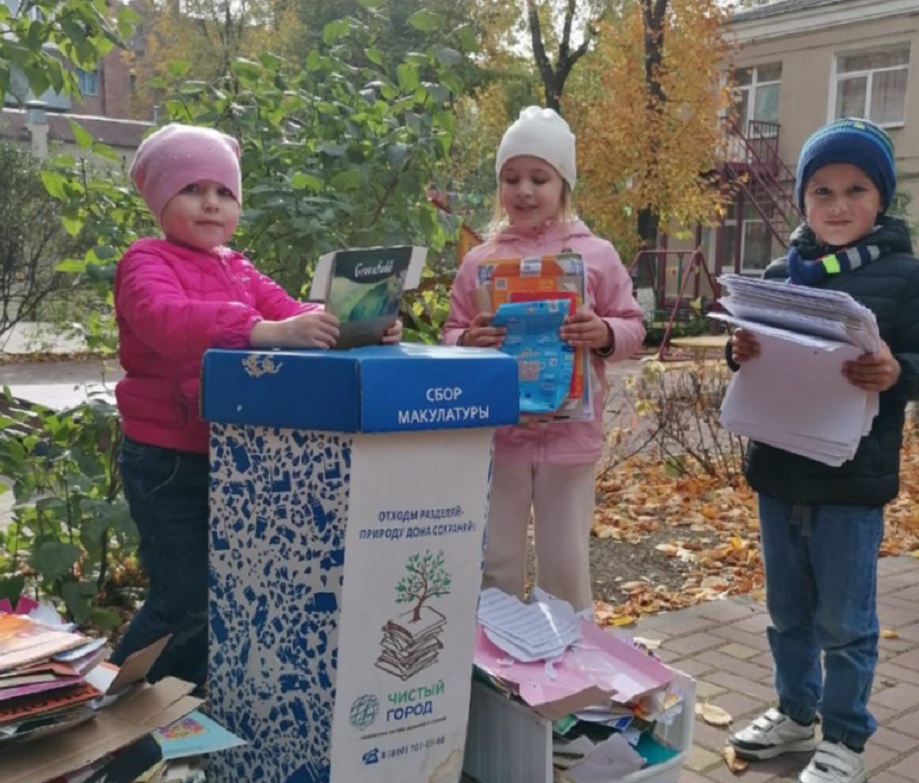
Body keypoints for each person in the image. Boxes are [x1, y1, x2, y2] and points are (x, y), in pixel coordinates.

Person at [111, 123, 401, 685]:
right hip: (166, 460)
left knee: (224, 594)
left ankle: (181, 709)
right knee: (183, 599)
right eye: (193, 189)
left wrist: (355, 326)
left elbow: (292, 311)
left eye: (224, 192)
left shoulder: (236, 267)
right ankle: (109, 712)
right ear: (159, 199)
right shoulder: (145, 262)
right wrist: (260, 331)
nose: (211, 203)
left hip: (234, 452)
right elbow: (165, 322)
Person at [726, 118, 919, 783]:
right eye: (821, 190)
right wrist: (737, 350)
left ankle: (846, 739)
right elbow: (752, 354)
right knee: (786, 613)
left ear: (880, 198)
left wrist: (899, 373)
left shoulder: (906, 277)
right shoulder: (781, 272)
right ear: (802, 200)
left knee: (846, 620)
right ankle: (795, 713)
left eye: (855, 189)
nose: (836, 205)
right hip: (778, 471)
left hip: (852, 483)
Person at [442, 106, 646, 611]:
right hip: (500, 438)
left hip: (570, 440)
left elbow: (633, 325)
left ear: (564, 185)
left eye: (540, 177)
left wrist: (602, 333)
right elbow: (448, 331)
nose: (524, 190)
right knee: (496, 563)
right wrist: (467, 340)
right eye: (511, 178)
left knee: (566, 566)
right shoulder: (480, 261)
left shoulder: (595, 255)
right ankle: (496, 675)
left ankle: (573, 682)